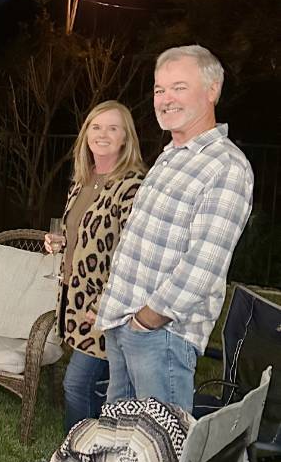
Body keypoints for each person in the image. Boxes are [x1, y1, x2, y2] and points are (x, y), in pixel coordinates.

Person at [97, 45, 253, 413]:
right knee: (120, 438)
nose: (165, 99)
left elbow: (203, 266)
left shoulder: (226, 166)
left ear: (212, 90)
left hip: (161, 334)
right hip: (124, 321)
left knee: (158, 448)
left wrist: (146, 321)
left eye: (179, 87)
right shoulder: (170, 156)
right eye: (159, 89)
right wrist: (123, 318)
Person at [43, 102, 146, 431]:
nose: (102, 134)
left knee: (77, 384)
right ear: (86, 134)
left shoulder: (131, 187)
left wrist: (108, 301)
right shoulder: (83, 182)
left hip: (106, 306)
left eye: (112, 128)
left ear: (125, 139)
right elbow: (80, 234)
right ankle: (91, 446)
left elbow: (135, 253)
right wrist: (57, 241)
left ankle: (77, 453)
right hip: (75, 304)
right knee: (87, 385)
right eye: (96, 127)